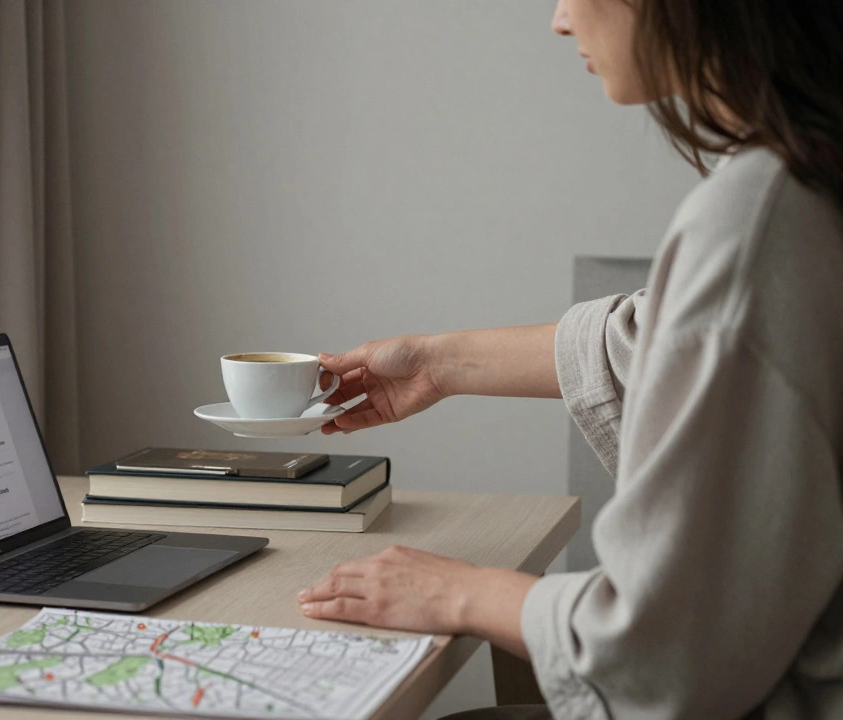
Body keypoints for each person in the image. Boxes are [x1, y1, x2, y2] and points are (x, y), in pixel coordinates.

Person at [297, 1, 843, 718]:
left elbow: (659, 653)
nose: (559, 20)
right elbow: (664, 343)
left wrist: (460, 591)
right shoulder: (805, 169)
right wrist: (436, 365)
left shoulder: (753, 220)